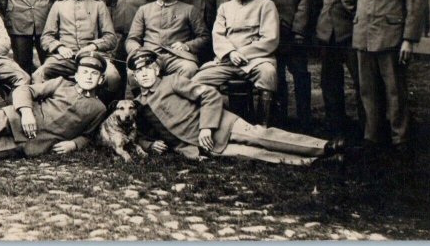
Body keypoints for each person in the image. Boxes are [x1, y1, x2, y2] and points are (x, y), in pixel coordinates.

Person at [129, 48, 345, 165]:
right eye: (139, 72)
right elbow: (135, 133)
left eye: (148, 68)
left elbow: (210, 95)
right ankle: (317, 162)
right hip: (203, 146)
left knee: (262, 137)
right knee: (256, 154)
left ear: (157, 70)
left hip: (221, 124)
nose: (145, 73)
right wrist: (149, 145)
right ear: (136, 78)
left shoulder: (173, 81)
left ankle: (325, 147)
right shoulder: (139, 104)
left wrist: (207, 127)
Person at [341, 0, 426, 154]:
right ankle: (372, 136)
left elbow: (415, 3)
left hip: (391, 38)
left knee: (394, 90)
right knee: (367, 90)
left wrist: (408, 39)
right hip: (363, 36)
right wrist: (359, 17)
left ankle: (400, 138)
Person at [192, 0, 279, 125]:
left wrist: (242, 53)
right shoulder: (225, 8)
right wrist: (231, 53)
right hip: (227, 61)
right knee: (198, 80)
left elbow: (270, 39)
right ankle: (215, 124)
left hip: (255, 60)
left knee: (268, 73)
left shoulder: (266, 5)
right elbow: (217, 35)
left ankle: (262, 126)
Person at [257, 0, 315, 130]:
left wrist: (299, 30)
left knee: (299, 74)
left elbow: (305, 0)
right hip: (272, 31)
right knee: (276, 75)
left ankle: (304, 120)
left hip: (292, 31)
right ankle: (280, 120)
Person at [33, 0, 121, 103]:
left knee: (113, 76)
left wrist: (92, 46)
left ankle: (100, 108)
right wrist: (60, 47)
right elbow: (46, 37)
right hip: (66, 58)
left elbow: (111, 38)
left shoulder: (99, 5)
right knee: (39, 74)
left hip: (93, 56)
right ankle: (46, 111)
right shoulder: (59, 6)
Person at [314, 0, 365, 136]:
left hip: (352, 29)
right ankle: (336, 125)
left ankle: (368, 126)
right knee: (330, 81)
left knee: (362, 81)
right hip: (328, 31)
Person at [125, 0, 208, 87]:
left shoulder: (189, 10)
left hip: (177, 58)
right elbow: (131, 39)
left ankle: (179, 104)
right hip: (149, 57)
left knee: (189, 68)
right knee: (133, 72)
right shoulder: (144, 10)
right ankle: (139, 104)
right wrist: (139, 51)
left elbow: (204, 37)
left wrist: (187, 46)